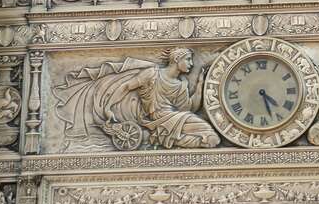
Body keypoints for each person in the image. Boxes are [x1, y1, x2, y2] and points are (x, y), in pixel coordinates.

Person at [53, 47, 220, 150]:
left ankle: (163, 137)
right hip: (159, 118)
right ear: (177, 59)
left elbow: (188, 108)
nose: (191, 64)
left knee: (212, 140)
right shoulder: (152, 74)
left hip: (177, 117)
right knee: (212, 139)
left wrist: (199, 85)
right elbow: (126, 87)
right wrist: (108, 107)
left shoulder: (181, 83)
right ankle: (162, 136)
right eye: (188, 59)